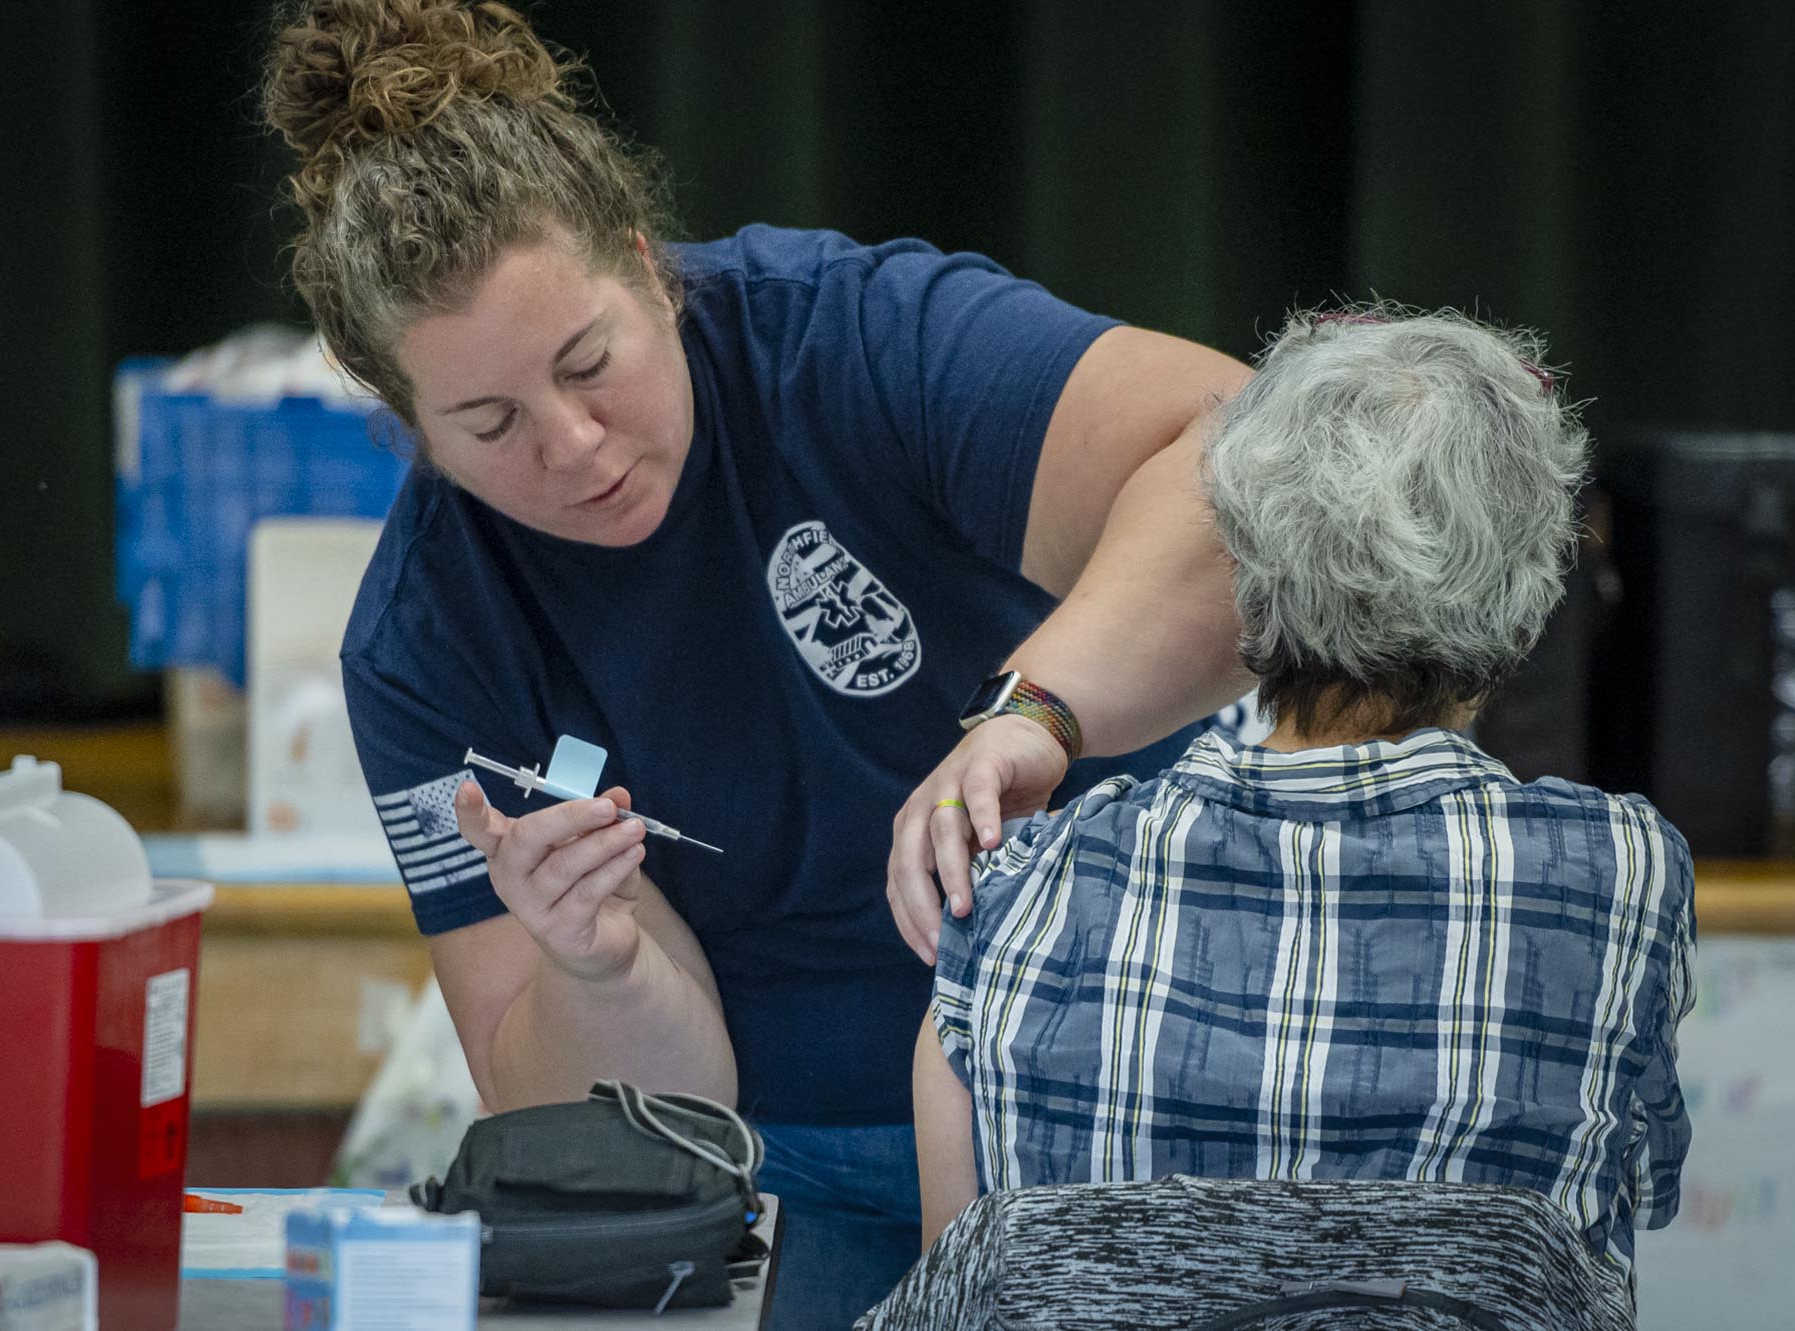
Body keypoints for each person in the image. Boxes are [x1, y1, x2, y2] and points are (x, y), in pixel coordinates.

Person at [262, 2, 1250, 1324]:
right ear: (407, 424)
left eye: (590, 362)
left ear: (649, 268)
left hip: (1133, 1089)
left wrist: (1038, 711)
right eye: (488, 422)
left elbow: (1247, 457)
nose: (573, 446)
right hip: (790, 1166)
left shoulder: (846, 342)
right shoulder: (429, 641)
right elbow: (620, 1118)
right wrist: (594, 962)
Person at [915, 307, 1696, 1302]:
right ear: (1527, 586)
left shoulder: (1015, 890)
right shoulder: (1620, 874)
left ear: (1240, 560)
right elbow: (1634, 1196)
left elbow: (960, 1294)